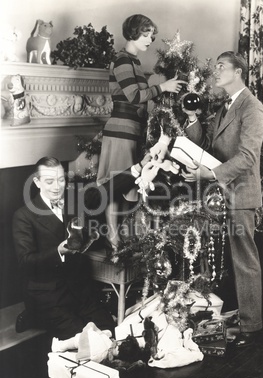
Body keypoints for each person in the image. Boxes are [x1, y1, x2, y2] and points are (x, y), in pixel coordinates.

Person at [182, 51, 263, 348]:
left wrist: (209, 175)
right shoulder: (225, 106)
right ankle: (236, 315)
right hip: (220, 195)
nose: (215, 71)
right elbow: (207, 144)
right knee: (226, 259)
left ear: (239, 72)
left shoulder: (252, 108)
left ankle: (252, 326)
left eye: (221, 67)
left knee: (244, 260)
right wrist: (192, 118)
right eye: (215, 65)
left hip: (241, 194)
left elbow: (247, 158)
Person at [96, 14, 186, 254]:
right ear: (133, 33)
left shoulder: (134, 62)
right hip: (120, 133)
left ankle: (120, 239)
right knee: (116, 186)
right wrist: (162, 88)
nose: (150, 39)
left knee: (128, 185)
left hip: (132, 132)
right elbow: (134, 96)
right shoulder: (123, 60)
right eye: (145, 34)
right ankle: (113, 241)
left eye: (151, 35)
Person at [12, 157, 115, 340]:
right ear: (37, 182)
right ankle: (34, 314)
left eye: (61, 180)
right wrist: (58, 251)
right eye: (49, 181)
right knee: (85, 342)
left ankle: (35, 316)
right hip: (49, 296)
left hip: (81, 290)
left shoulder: (73, 201)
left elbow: (104, 191)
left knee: (109, 330)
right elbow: (26, 263)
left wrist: (138, 169)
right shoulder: (23, 216)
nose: (57, 187)